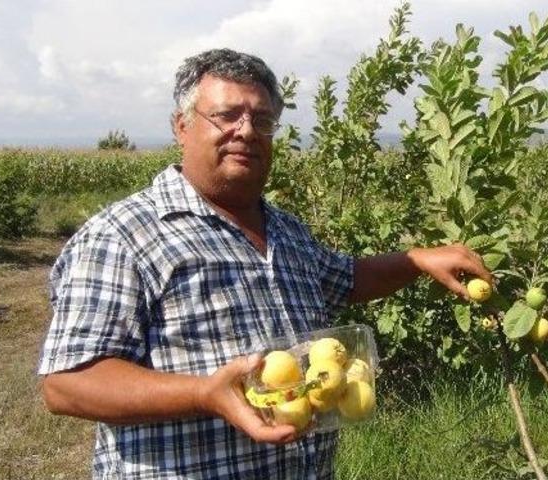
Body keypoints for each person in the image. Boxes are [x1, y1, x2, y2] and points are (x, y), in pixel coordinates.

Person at [38, 48, 491, 479]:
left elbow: (346, 279)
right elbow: (68, 382)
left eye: (262, 119)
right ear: (182, 126)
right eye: (226, 115)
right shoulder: (123, 234)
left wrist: (415, 260)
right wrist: (204, 395)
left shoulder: (288, 232)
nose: (247, 130)